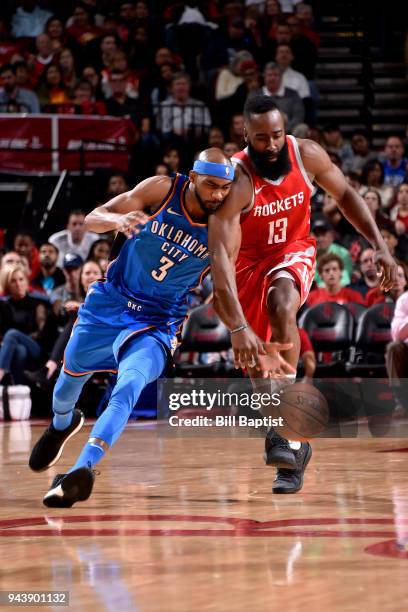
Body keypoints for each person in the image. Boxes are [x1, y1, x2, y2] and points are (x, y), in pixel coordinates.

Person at [29, 148, 289, 507]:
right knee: (65, 387)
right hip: (110, 303)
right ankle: (61, 424)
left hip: (158, 322)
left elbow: (227, 288)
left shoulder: (224, 229)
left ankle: (81, 470)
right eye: (211, 185)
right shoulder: (161, 190)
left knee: (128, 387)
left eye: (224, 189)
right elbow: (92, 218)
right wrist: (116, 222)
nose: (217, 195)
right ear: (194, 177)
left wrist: (247, 330)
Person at [208, 94, 397, 494]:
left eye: (277, 134)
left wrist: (381, 246)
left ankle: (282, 431)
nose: (272, 144)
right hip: (246, 267)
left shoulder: (305, 154)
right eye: (262, 138)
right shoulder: (237, 179)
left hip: (293, 251)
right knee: (261, 370)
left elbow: (346, 196)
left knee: (282, 304)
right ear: (246, 135)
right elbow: (221, 255)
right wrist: (237, 323)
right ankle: (292, 448)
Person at [260, 62, 304, 132]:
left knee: (302, 128)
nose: (272, 78)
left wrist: (282, 130)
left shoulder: (293, 95)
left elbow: (298, 117)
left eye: (275, 75)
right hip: (263, 131)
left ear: (281, 77)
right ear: (264, 77)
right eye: (269, 75)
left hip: (289, 130)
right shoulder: (256, 95)